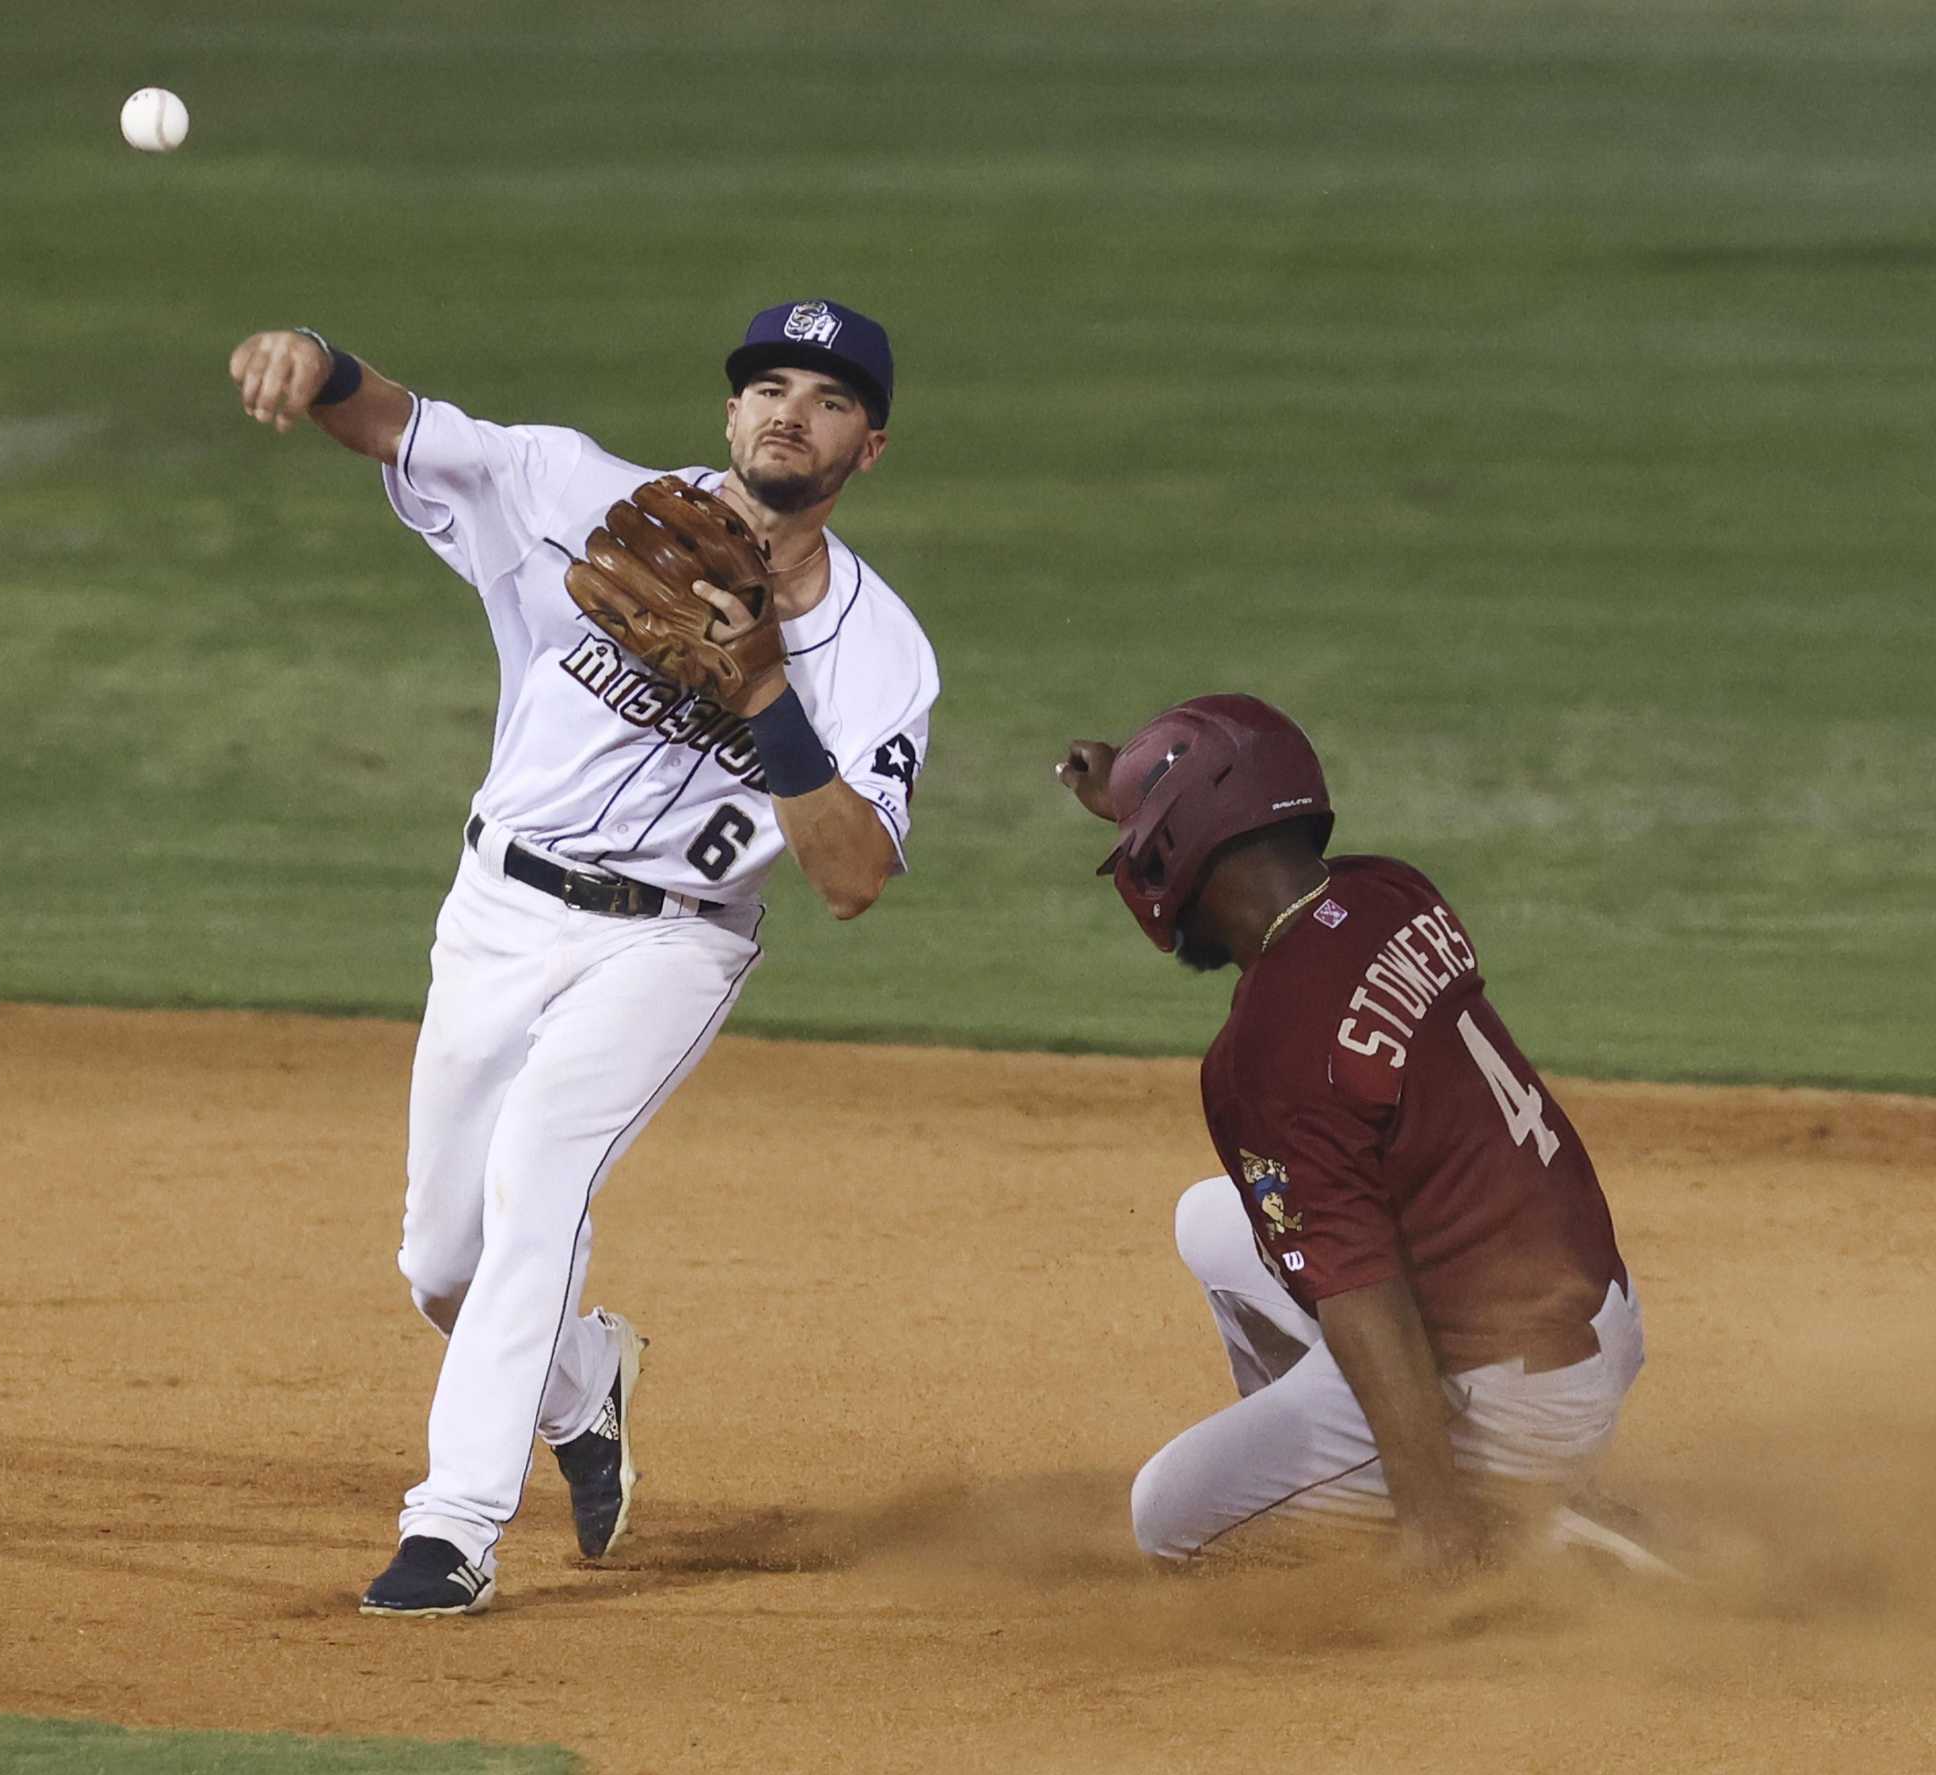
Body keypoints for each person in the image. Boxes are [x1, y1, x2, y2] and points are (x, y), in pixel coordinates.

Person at [229, 299, 939, 1616]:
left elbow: (852, 879)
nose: (790, 408)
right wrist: (311, 360)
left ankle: (451, 1529)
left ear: (869, 446)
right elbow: (392, 422)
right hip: (496, 910)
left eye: (829, 397)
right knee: (442, 1261)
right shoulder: (576, 492)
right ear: (730, 411)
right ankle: (583, 1387)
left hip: (671, 941)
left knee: (540, 1173)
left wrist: (767, 696)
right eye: (767, 383)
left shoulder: (885, 654)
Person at [1058, 696, 1662, 1575]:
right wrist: (1131, 791)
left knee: (1167, 1518)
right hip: (1590, 1310)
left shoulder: (1267, 1052)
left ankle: (1493, 1519)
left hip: (1515, 1395)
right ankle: (1421, 1478)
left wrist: (1434, 1527)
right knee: (1212, 1221)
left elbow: (1362, 1289)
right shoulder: (1387, 889)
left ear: (1186, 850)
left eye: (1149, 847)